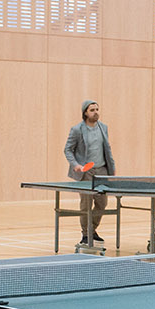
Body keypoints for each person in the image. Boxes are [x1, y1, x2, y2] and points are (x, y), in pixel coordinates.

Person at [63, 100, 116, 249]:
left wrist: (112, 168)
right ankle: (86, 234)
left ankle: (92, 229)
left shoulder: (103, 128)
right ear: (85, 112)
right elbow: (68, 150)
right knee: (86, 204)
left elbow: (108, 149)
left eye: (97, 109)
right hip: (85, 173)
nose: (96, 112)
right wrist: (76, 165)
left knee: (102, 203)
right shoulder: (77, 130)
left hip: (102, 171)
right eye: (92, 110)